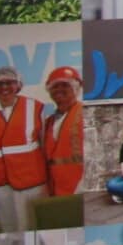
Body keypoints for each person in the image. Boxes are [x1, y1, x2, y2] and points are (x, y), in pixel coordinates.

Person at [0, 63, 50, 230]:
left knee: (33, 224)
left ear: (18, 84)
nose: (5, 87)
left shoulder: (35, 107)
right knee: (8, 227)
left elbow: (45, 143)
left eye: (10, 82)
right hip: (2, 181)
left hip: (32, 179)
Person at [42, 64, 84, 196]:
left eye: (65, 85)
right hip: (57, 189)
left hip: (80, 187)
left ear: (76, 88)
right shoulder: (48, 123)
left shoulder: (85, 114)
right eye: (55, 86)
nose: (59, 90)